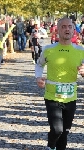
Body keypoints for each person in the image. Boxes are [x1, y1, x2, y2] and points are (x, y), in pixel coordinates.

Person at [35, 17, 84, 150]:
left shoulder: (81, 51)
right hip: (52, 96)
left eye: (69, 27)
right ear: (57, 30)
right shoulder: (49, 49)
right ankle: (50, 146)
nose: (67, 29)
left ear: (74, 30)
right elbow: (39, 65)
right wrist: (38, 77)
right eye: (63, 27)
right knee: (57, 130)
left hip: (71, 97)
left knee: (65, 132)